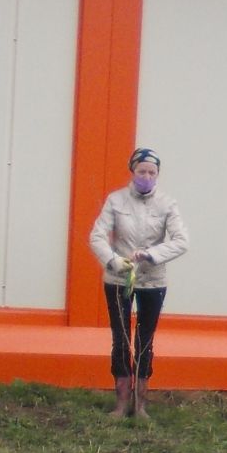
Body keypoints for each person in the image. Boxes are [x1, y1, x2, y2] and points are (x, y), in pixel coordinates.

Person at [88, 146, 189, 418]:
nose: (146, 176)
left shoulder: (167, 204)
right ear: (133, 171)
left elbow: (181, 241)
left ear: (158, 175)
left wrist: (152, 255)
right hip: (119, 278)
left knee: (145, 339)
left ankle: (140, 403)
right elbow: (97, 236)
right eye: (142, 171)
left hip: (153, 281)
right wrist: (113, 260)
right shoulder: (116, 200)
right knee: (120, 339)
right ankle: (121, 402)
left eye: (152, 172)